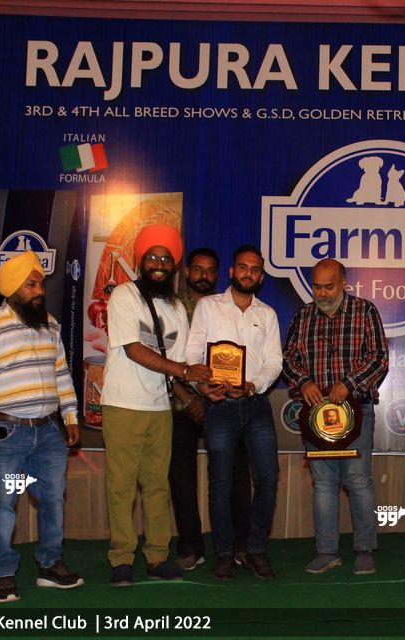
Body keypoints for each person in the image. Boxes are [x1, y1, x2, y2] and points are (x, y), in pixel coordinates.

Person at [0, 250, 84, 602]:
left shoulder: (50, 324)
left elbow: (61, 373)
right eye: (31, 285)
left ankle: (50, 565)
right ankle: (3, 572)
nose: (39, 291)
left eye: (40, 284)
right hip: (7, 436)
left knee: (52, 499)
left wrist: (70, 416)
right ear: (12, 288)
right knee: (4, 504)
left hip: (48, 434)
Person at [100, 225, 212, 586]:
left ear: (174, 265)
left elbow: (176, 368)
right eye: (152, 257)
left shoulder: (177, 307)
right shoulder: (124, 295)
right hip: (123, 405)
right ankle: (121, 559)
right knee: (121, 487)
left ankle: (157, 557)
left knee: (157, 486)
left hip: (160, 408)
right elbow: (135, 350)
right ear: (140, 261)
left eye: (166, 259)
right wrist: (185, 373)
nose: (159, 264)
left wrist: (196, 391)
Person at [282, 259, 389, 576]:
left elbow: (380, 358)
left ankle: (364, 550)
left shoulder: (365, 311)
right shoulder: (302, 316)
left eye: (329, 286)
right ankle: (326, 551)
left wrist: (349, 384)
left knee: (358, 480)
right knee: (324, 483)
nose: (322, 293)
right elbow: (287, 360)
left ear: (344, 283)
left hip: (357, 411)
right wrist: (304, 382)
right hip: (316, 417)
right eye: (317, 287)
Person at [185, 245, 283, 581]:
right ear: (231, 271)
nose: (248, 273)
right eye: (243, 267)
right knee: (221, 484)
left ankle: (255, 550)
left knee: (268, 478)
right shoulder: (208, 306)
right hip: (219, 406)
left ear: (261, 277)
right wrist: (203, 387)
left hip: (256, 405)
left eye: (255, 269)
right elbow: (193, 354)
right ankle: (224, 554)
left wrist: (253, 385)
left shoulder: (267, 314)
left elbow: (274, 362)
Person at [168, 247, 253, 573]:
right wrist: (189, 398)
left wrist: (217, 395)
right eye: (198, 269)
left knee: (236, 475)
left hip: (225, 403)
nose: (203, 275)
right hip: (181, 404)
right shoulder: (171, 307)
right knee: (181, 478)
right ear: (187, 272)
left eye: (210, 270)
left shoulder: (226, 307)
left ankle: (238, 546)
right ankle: (191, 547)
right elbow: (164, 358)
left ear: (218, 274)